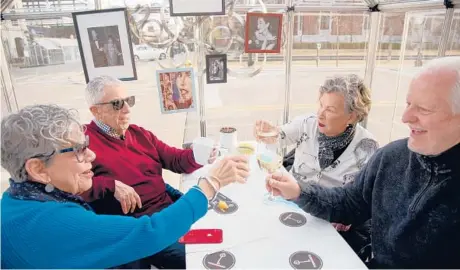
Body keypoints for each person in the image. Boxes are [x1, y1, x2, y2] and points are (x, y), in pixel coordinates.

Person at [265, 56, 460, 269]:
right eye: (408, 104)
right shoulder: (390, 157)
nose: (405, 117)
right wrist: (298, 191)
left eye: (424, 109)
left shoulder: (368, 146)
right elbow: (350, 204)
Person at [0, 104, 250, 269]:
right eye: (77, 150)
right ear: (38, 169)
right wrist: (210, 185)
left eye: (86, 144)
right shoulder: (48, 222)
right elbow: (149, 232)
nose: (91, 156)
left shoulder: (17, 201)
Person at [82, 75, 207, 268]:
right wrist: (110, 184)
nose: (127, 109)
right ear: (95, 111)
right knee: (203, 258)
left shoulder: (139, 134)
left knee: (224, 234)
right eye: (117, 104)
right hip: (142, 230)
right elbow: (70, 185)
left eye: (128, 101)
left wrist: (202, 154)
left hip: (169, 213)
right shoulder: (84, 143)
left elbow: (175, 160)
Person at [254, 74, 378, 258]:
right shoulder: (306, 124)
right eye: (321, 104)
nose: (320, 113)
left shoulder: (368, 147)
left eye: (330, 109)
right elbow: (277, 136)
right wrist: (266, 130)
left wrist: (348, 218)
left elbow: (359, 201)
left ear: (352, 116)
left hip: (330, 220)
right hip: (291, 204)